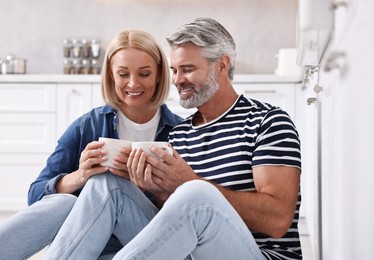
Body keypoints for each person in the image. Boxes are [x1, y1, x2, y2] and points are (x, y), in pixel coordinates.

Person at [43, 18, 302, 260]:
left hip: (258, 254)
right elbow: (174, 224)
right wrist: (154, 189)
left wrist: (189, 183)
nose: (177, 81)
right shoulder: (179, 133)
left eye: (187, 69)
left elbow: (277, 220)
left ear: (222, 65)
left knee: (197, 192)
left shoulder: (267, 121)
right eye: (174, 70)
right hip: (190, 252)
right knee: (107, 184)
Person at [0, 29, 182, 259]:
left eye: (144, 74)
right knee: (63, 203)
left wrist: (154, 188)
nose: (133, 83)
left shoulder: (180, 132)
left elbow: (190, 213)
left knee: (108, 184)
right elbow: (35, 197)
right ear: (111, 75)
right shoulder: (87, 126)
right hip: (89, 242)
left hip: (143, 240)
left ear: (159, 74)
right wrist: (80, 176)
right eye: (123, 73)